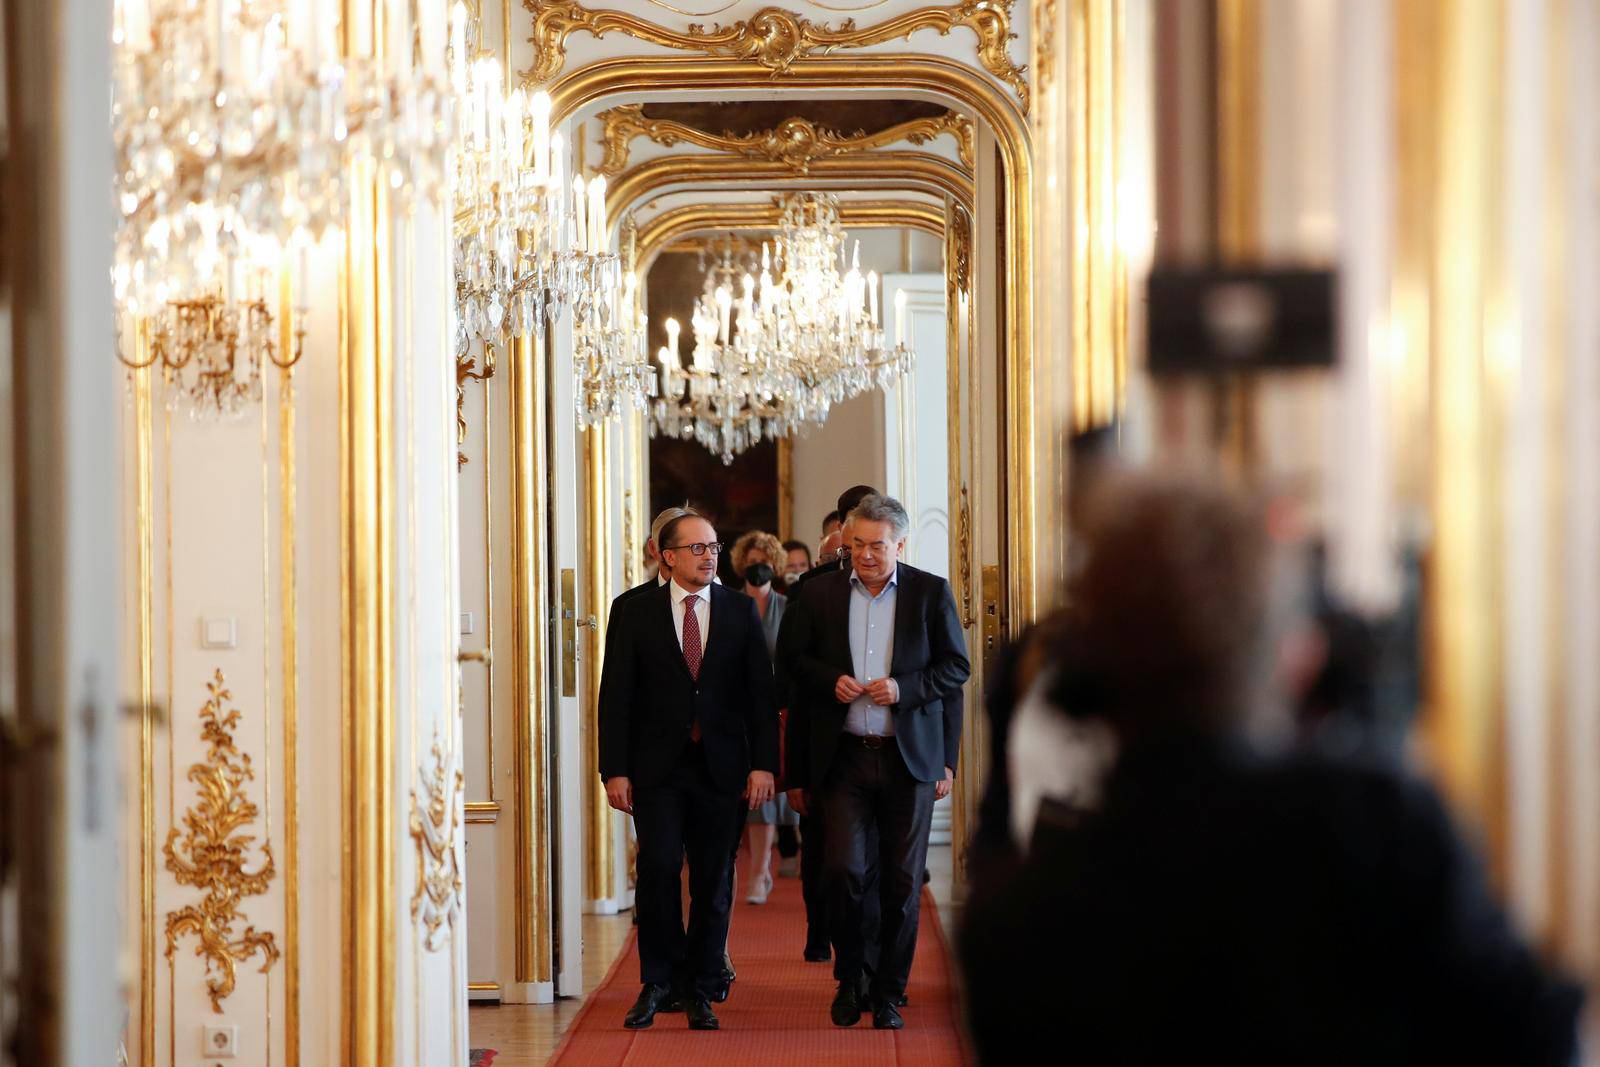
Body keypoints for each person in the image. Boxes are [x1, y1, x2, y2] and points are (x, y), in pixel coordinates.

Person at [958, 474, 1585, 1065]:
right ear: (1294, 654)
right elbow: (1539, 1038)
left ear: (1083, 667)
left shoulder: (1017, 922)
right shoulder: (1375, 826)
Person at [782, 495, 970, 1031]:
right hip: (842, 758)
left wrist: (902, 688)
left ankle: (889, 991)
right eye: (856, 543)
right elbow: (792, 666)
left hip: (907, 759)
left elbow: (955, 668)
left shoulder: (929, 594)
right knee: (842, 871)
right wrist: (827, 680)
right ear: (845, 541)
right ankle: (852, 979)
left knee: (903, 882)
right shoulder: (816, 593)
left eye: (877, 545)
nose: (865, 555)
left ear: (900, 545)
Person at [597, 513, 778, 1032]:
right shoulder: (633, 612)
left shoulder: (740, 611)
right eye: (696, 548)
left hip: (722, 767)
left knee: (712, 877)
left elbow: (760, 699)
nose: (709, 556)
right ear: (666, 555)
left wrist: (764, 764)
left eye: (713, 547)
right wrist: (615, 770)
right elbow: (617, 699)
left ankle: (701, 985)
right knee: (656, 869)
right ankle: (658, 981)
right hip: (657, 768)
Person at [728, 529, 797, 904]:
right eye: (752, 564)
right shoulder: (730, 604)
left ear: (776, 566)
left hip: (775, 710)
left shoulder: (787, 608)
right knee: (743, 791)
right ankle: (752, 870)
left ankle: (760, 874)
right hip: (736, 711)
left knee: (768, 790)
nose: (758, 569)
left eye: (764, 564)